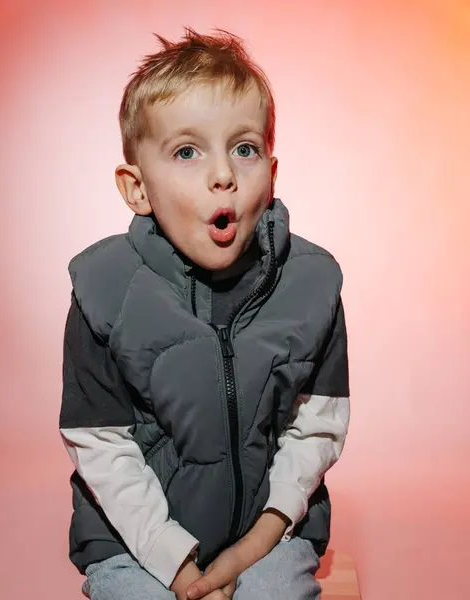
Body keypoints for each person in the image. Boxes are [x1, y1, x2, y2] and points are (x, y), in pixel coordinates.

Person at [59, 27, 350, 600]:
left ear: (271, 175)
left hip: (268, 532)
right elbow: (102, 446)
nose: (223, 174)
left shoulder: (313, 282)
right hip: (134, 540)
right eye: (187, 152)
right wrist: (178, 569)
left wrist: (259, 542)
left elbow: (315, 428)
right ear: (136, 189)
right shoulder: (101, 289)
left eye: (243, 149)